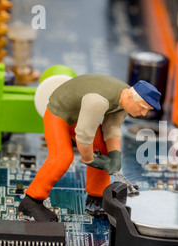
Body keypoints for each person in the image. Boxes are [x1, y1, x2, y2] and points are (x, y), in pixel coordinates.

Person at [18, 74, 161, 222]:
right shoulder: (97, 101)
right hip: (59, 114)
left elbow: (111, 128)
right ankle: (31, 201)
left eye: (147, 110)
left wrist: (114, 155)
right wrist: (90, 159)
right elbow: (84, 135)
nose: (144, 113)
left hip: (78, 116)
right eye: (143, 107)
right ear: (131, 96)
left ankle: (96, 199)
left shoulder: (125, 100)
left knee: (103, 146)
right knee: (62, 157)